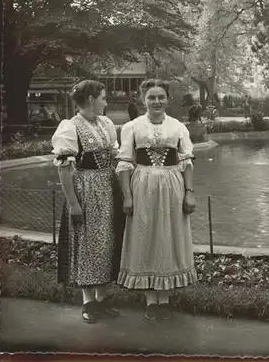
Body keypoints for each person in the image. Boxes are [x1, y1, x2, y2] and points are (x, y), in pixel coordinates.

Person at [116, 79, 197, 322]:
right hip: (142, 185)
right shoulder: (132, 127)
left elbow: (186, 161)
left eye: (161, 97)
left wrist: (189, 192)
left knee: (169, 235)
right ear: (143, 100)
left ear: (167, 99)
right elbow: (124, 163)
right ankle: (151, 300)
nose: (156, 101)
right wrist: (127, 196)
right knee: (146, 235)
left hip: (173, 185)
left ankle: (166, 297)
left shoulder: (178, 127)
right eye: (151, 97)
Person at [51, 80, 125, 324]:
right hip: (86, 188)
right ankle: (88, 301)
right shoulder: (70, 127)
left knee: (107, 240)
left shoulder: (105, 123)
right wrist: (73, 203)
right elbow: (64, 169)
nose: (106, 102)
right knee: (87, 242)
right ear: (91, 99)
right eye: (103, 98)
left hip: (109, 187)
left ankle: (102, 299)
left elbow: (115, 155)